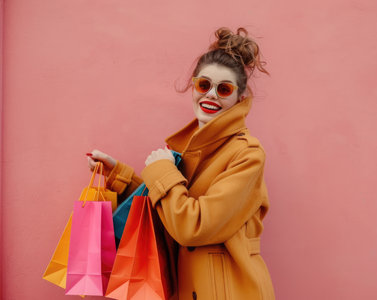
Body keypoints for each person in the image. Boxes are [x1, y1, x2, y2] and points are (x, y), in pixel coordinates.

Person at [87, 27, 275, 300]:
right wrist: (118, 175)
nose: (211, 95)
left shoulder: (247, 155)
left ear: (239, 99)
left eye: (223, 89)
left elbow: (193, 226)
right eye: (203, 85)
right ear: (193, 86)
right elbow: (170, 209)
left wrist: (162, 170)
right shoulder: (189, 149)